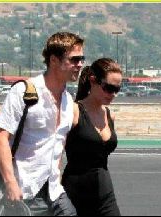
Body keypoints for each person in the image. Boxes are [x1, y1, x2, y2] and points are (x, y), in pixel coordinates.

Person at [0, 32, 85, 216]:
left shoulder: (68, 100)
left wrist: (56, 177)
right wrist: (11, 183)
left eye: (82, 59)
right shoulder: (24, 92)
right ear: (54, 60)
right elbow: (0, 138)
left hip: (54, 191)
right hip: (25, 191)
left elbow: (59, 142)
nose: (80, 64)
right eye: (74, 60)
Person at [62, 58, 122, 216]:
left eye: (117, 89)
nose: (113, 94)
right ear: (93, 81)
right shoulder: (74, 111)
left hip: (105, 193)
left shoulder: (110, 115)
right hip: (75, 193)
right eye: (108, 88)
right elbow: (55, 151)